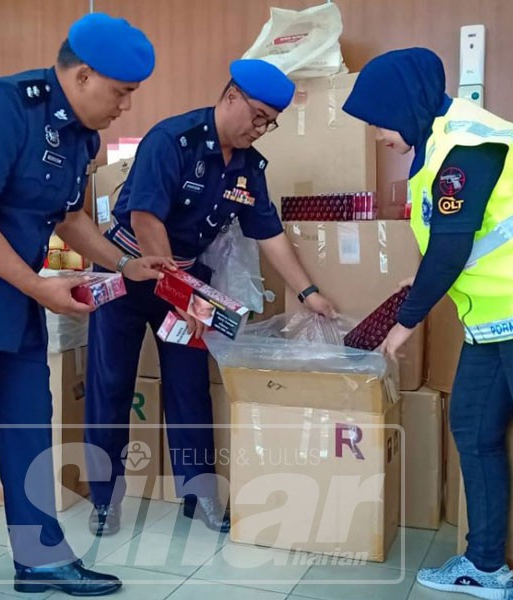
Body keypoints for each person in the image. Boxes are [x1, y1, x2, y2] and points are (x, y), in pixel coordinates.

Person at [0, 13, 175, 600]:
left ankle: (39, 560)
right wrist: (37, 286)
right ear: (85, 76)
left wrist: (122, 263)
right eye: (121, 93)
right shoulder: (3, 107)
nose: (125, 107)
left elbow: (69, 216)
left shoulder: (82, 137)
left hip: (11, 296)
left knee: (27, 432)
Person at [343, 47, 513, 600]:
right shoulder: (437, 143)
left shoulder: (467, 144)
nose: (379, 135)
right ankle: (485, 564)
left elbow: (452, 245)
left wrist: (406, 322)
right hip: (498, 314)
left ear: (404, 105)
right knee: (473, 427)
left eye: (379, 121)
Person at [84, 58, 336, 537]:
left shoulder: (248, 166)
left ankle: (198, 493)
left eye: (270, 122)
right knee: (111, 382)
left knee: (189, 385)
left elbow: (269, 233)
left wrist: (308, 292)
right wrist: (176, 291)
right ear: (232, 97)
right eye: (258, 116)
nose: (261, 129)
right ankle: (104, 498)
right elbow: (144, 219)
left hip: (183, 279)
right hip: (127, 269)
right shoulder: (171, 140)